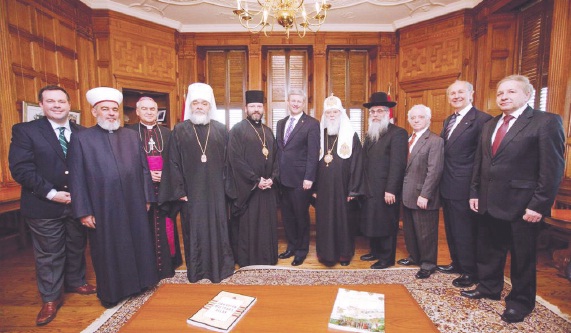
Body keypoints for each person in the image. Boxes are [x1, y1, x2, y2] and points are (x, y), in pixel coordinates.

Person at [463, 75, 565, 323]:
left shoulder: (546, 122)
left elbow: (552, 169)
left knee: (522, 258)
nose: (504, 97)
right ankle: (489, 287)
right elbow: (481, 162)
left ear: (527, 95)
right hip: (488, 201)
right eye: (500, 93)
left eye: (511, 92)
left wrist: (538, 205)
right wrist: (475, 192)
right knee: (489, 249)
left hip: (523, 205)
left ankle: (520, 302)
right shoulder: (490, 124)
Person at [8, 85, 96, 326]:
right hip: (43, 204)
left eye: (61, 101)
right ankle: (50, 298)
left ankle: (76, 281)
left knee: (76, 245)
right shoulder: (26, 131)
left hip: (77, 204)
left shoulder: (83, 132)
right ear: (42, 105)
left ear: (69, 105)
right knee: (49, 253)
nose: (57, 105)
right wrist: (51, 193)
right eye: (50, 101)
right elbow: (21, 169)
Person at [68, 87, 159, 308]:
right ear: (94, 111)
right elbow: (77, 178)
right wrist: (84, 210)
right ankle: (112, 293)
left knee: (138, 242)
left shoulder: (130, 136)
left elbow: (143, 169)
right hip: (103, 206)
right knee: (108, 249)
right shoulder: (81, 138)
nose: (111, 113)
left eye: (114, 109)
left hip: (134, 202)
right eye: (105, 109)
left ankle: (141, 283)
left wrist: (147, 197)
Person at [159, 83, 235, 283]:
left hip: (217, 191)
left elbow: (229, 162)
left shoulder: (220, 130)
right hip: (191, 193)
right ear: (189, 106)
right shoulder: (180, 130)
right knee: (195, 229)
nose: (200, 107)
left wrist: (228, 189)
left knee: (219, 227)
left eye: (204, 103)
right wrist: (179, 190)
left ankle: (221, 268)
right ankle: (198, 269)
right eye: (196, 103)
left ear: (210, 106)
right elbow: (172, 162)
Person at [437, 80, 492, 287]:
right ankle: (457, 263)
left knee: (466, 231)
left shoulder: (483, 120)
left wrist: (475, 190)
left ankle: (470, 272)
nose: (456, 96)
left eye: (460, 92)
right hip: (448, 184)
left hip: (466, 186)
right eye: (452, 93)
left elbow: (482, 158)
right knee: (452, 228)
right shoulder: (449, 120)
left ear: (472, 94)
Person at [125, 97, 182, 279]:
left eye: (152, 109)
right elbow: (125, 163)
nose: (149, 112)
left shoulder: (167, 133)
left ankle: (167, 263)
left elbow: (175, 160)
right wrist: (147, 174)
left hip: (164, 188)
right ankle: (144, 266)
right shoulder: (128, 133)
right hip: (140, 188)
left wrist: (165, 175)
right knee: (142, 226)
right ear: (137, 111)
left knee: (166, 225)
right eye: (145, 109)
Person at [226, 90, 279, 267]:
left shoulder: (268, 131)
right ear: (246, 108)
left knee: (266, 226)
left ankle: (267, 258)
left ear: (263, 108)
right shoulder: (238, 130)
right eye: (252, 106)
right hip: (249, 189)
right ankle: (248, 260)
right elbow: (235, 160)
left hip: (268, 188)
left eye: (259, 106)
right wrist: (256, 180)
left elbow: (277, 157)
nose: (256, 109)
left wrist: (272, 177)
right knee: (249, 226)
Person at [313, 95, 364, 266]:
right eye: (329, 112)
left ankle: (344, 255)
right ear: (325, 115)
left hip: (343, 188)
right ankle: (325, 254)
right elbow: (312, 162)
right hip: (323, 188)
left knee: (343, 221)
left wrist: (354, 189)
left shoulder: (351, 135)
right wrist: (313, 187)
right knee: (325, 221)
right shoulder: (319, 134)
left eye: (335, 112)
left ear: (341, 113)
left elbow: (358, 163)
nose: (332, 115)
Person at [359, 92, 408, 269]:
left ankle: (386, 259)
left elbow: (398, 165)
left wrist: (391, 190)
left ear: (388, 113)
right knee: (373, 220)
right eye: (372, 112)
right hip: (370, 188)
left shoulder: (398, 134)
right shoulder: (370, 134)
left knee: (386, 223)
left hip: (386, 189)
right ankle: (375, 251)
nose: (375, 115)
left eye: (380, 111)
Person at [276, 89, 320, 266]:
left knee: (301, 216)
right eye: (292, 100)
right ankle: (292, 246)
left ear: (304, 103)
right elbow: (280, 150)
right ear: (287, 102)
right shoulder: (281, 123)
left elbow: (313, 153)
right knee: (287, 216)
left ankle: (302, 251)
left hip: (301, 180)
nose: (295, 104)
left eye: (299, 101)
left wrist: (309, 177)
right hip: (282, 179)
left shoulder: (311, 124)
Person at [400, 104, 444, 279]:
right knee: (410, 230)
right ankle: (414, 256)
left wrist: (425, 194)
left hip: (423, 195)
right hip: (406, 194)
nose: (416, 120)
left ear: (428, 119)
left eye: (420, 117)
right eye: (413, 118)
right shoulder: (408, 139)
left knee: (426, 233)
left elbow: (435, 170)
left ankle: (428, 263)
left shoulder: (435, 141)